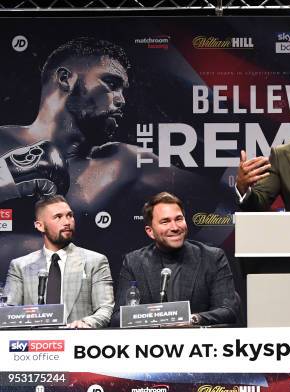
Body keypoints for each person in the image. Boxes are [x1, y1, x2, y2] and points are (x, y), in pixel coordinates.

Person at [0, 37, 228, 272]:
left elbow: (216, 196)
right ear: (65, 79)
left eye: (123, 90)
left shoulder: (121, 163)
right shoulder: (2, 141)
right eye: (111, 83)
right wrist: (5, 179)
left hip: (79, 302)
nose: (121, 100)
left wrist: (243, 185)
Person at [111, 192, 239, 327]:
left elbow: (228, 310)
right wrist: (155, 320)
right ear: (150, 231)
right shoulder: (134, 262)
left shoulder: (212, 258)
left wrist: (193, 319)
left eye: (178, 219)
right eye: (165, 221)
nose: (175, 227)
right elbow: (118, 317)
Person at [5, 195, 114, 328]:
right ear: (40, 226)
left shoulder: (95, 261)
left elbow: (105, 309)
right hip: (34, 344)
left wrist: (86, 323)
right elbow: (8, 313)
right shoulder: (20, 266)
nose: (67, 222)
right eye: (58, 217)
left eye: (69, 215)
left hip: (77, 342)